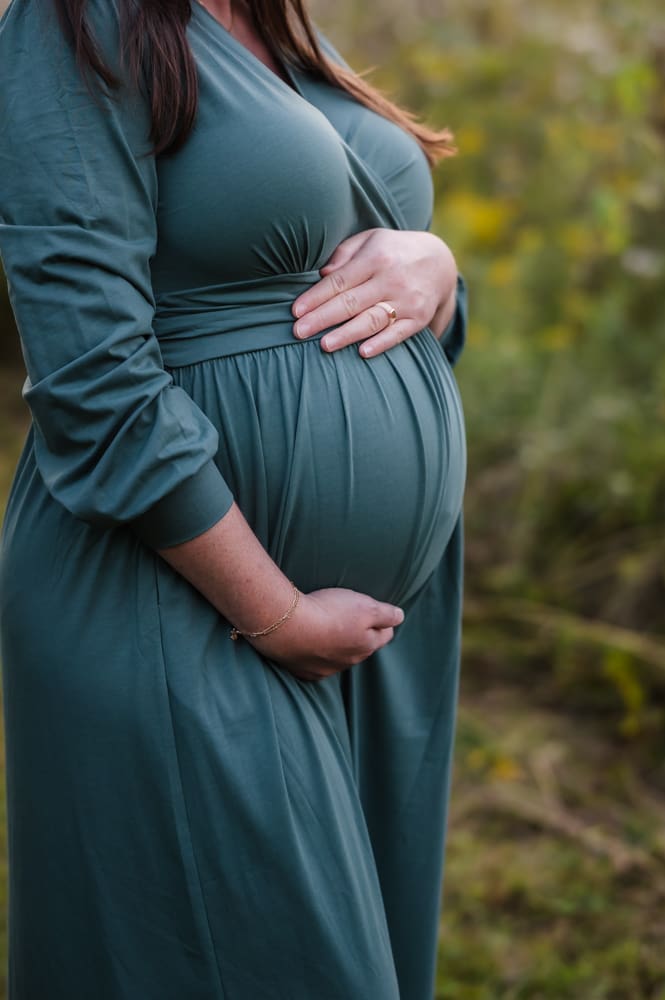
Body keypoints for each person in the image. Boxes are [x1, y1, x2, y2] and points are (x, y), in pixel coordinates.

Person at [0, 0, 467, 996]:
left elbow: (364, 273)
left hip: (370, 642)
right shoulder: (74, 20)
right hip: (185, 596)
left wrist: (435, 267)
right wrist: (277, 614)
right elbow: (88, 369)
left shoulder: (273, 22)